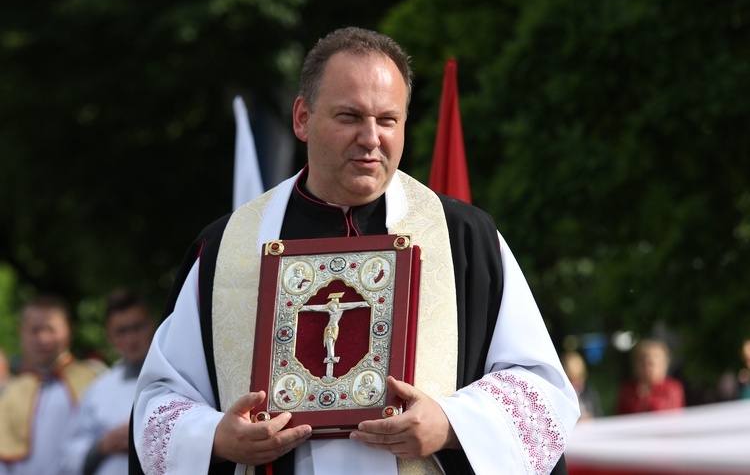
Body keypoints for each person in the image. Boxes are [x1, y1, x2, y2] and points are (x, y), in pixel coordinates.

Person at [130, 27, 579, 474]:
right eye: (349, 117)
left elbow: (541, 389)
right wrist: (216, 437)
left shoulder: (464, 238)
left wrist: (449, 423)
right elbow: (159, 404)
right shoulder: (227, 247)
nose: (371, 137)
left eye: (387, 120)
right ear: (302, 117)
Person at [0, 294, 100, 474]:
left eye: (50, 329)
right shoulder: (12, 392)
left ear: (69, 330)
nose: (43, 339)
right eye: (35, 330)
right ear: (22, 332)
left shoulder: (94, 382)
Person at [60, 289, 156, 475]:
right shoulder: (99, 388)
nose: (131, 338)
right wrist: (102, 446)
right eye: (121, 331)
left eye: (137, 327)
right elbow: (69, 452)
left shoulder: (177, 378)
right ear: (109, 336)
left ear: (152, 325)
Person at [616, 339, 685, 415]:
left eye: (655, 358)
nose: (649, 362)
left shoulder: (673, 387)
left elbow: (670, 414)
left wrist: (646, 397)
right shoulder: (628, 388)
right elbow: (621, 416)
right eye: (643, 359)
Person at [561, 351, 602, 420]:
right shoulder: (561, 398)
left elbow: (600, 417)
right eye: (573, 380)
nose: (578, 384)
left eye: (580, 378)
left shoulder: (590, 394)